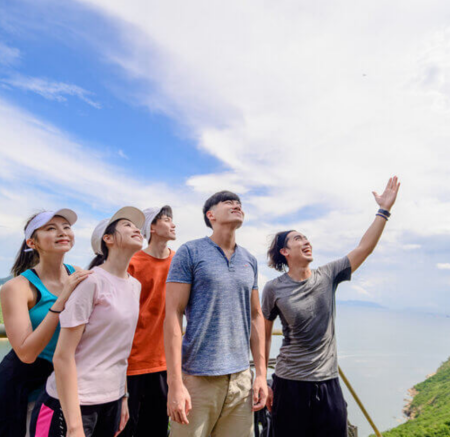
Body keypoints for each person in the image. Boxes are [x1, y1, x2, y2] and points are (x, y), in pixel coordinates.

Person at [262, 177, 401, 437]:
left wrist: (384, 211)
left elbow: (364, 248)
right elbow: (263, 334)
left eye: (306, 237)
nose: (306, 241)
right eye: (297, 238)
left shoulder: (327, 275)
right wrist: (262, 380)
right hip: (289, 384)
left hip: (327, 384)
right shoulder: (274, 289)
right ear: (284, 252)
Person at [0, 209, 92, 437]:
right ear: (32, 242)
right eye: (51, 228)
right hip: (22, 387)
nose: (62, 232)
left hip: (66, 382)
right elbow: (26, 353)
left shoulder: (81, 276)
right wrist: (61, 300)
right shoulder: (18, 287)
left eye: (66, 227)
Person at [30, 207, 145, 437]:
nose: (136, 229)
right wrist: (74, 426)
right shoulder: (91, 282)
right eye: (127, 225)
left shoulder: (135, 285)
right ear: (108, 239)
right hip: (72, 404)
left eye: (136, 226)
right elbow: (62, 356)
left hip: (111, 401)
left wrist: (123, 397)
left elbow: (120, 351)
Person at [165, 191, 267, 437]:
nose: (236, 205)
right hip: (198, 379)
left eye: (239, 203)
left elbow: (256, 315)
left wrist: (261, 375)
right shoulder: (190, 252)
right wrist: (175, 383)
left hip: (241, 378)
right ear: (210, 215)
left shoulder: (249, 260)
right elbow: (172, 314)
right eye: (228, 202)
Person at [119, 206, 177, 437]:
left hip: (165, 362)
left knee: (156, 428)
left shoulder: (180, 261)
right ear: (151, 227)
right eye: (166, 220)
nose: (173, 224)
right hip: (131, 361)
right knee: (124, 428)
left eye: (173, 220)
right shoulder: (133, 262)